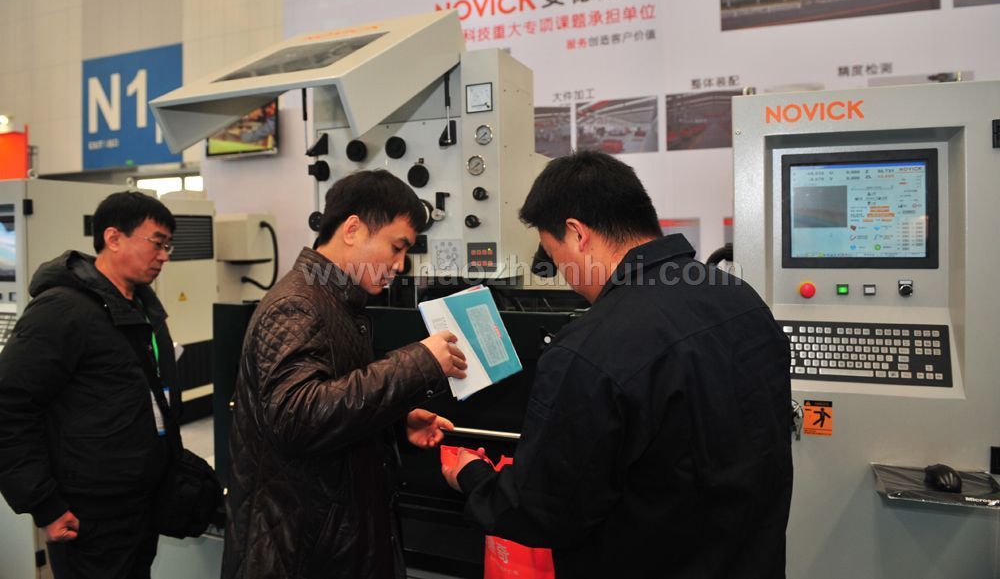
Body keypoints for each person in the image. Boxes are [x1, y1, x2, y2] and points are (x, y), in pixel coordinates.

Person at [442, 151, 792, 578]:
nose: (564, 275)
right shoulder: (742, 300)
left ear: (577, 234)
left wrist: (473, 476)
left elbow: (544, 510)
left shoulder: (591, 348)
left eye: (555, 255)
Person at [223, 170, 468, 579]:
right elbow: (296, 416)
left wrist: (394, 424)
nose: (400, 264)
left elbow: (333, 404)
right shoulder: (297, 304)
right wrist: (420, 362)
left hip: (335, 541)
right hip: (300, 551)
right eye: (396, 247)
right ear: (352, 229)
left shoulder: (338, 303)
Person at [0, 191, 181, 579]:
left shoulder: (143, 309)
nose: (164, 256)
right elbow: (9, 407)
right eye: (157, 243)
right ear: (113, 238)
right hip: (88, 515)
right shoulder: (62, 310)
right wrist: (44, 504)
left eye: (168, 245)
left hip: (138, 505)